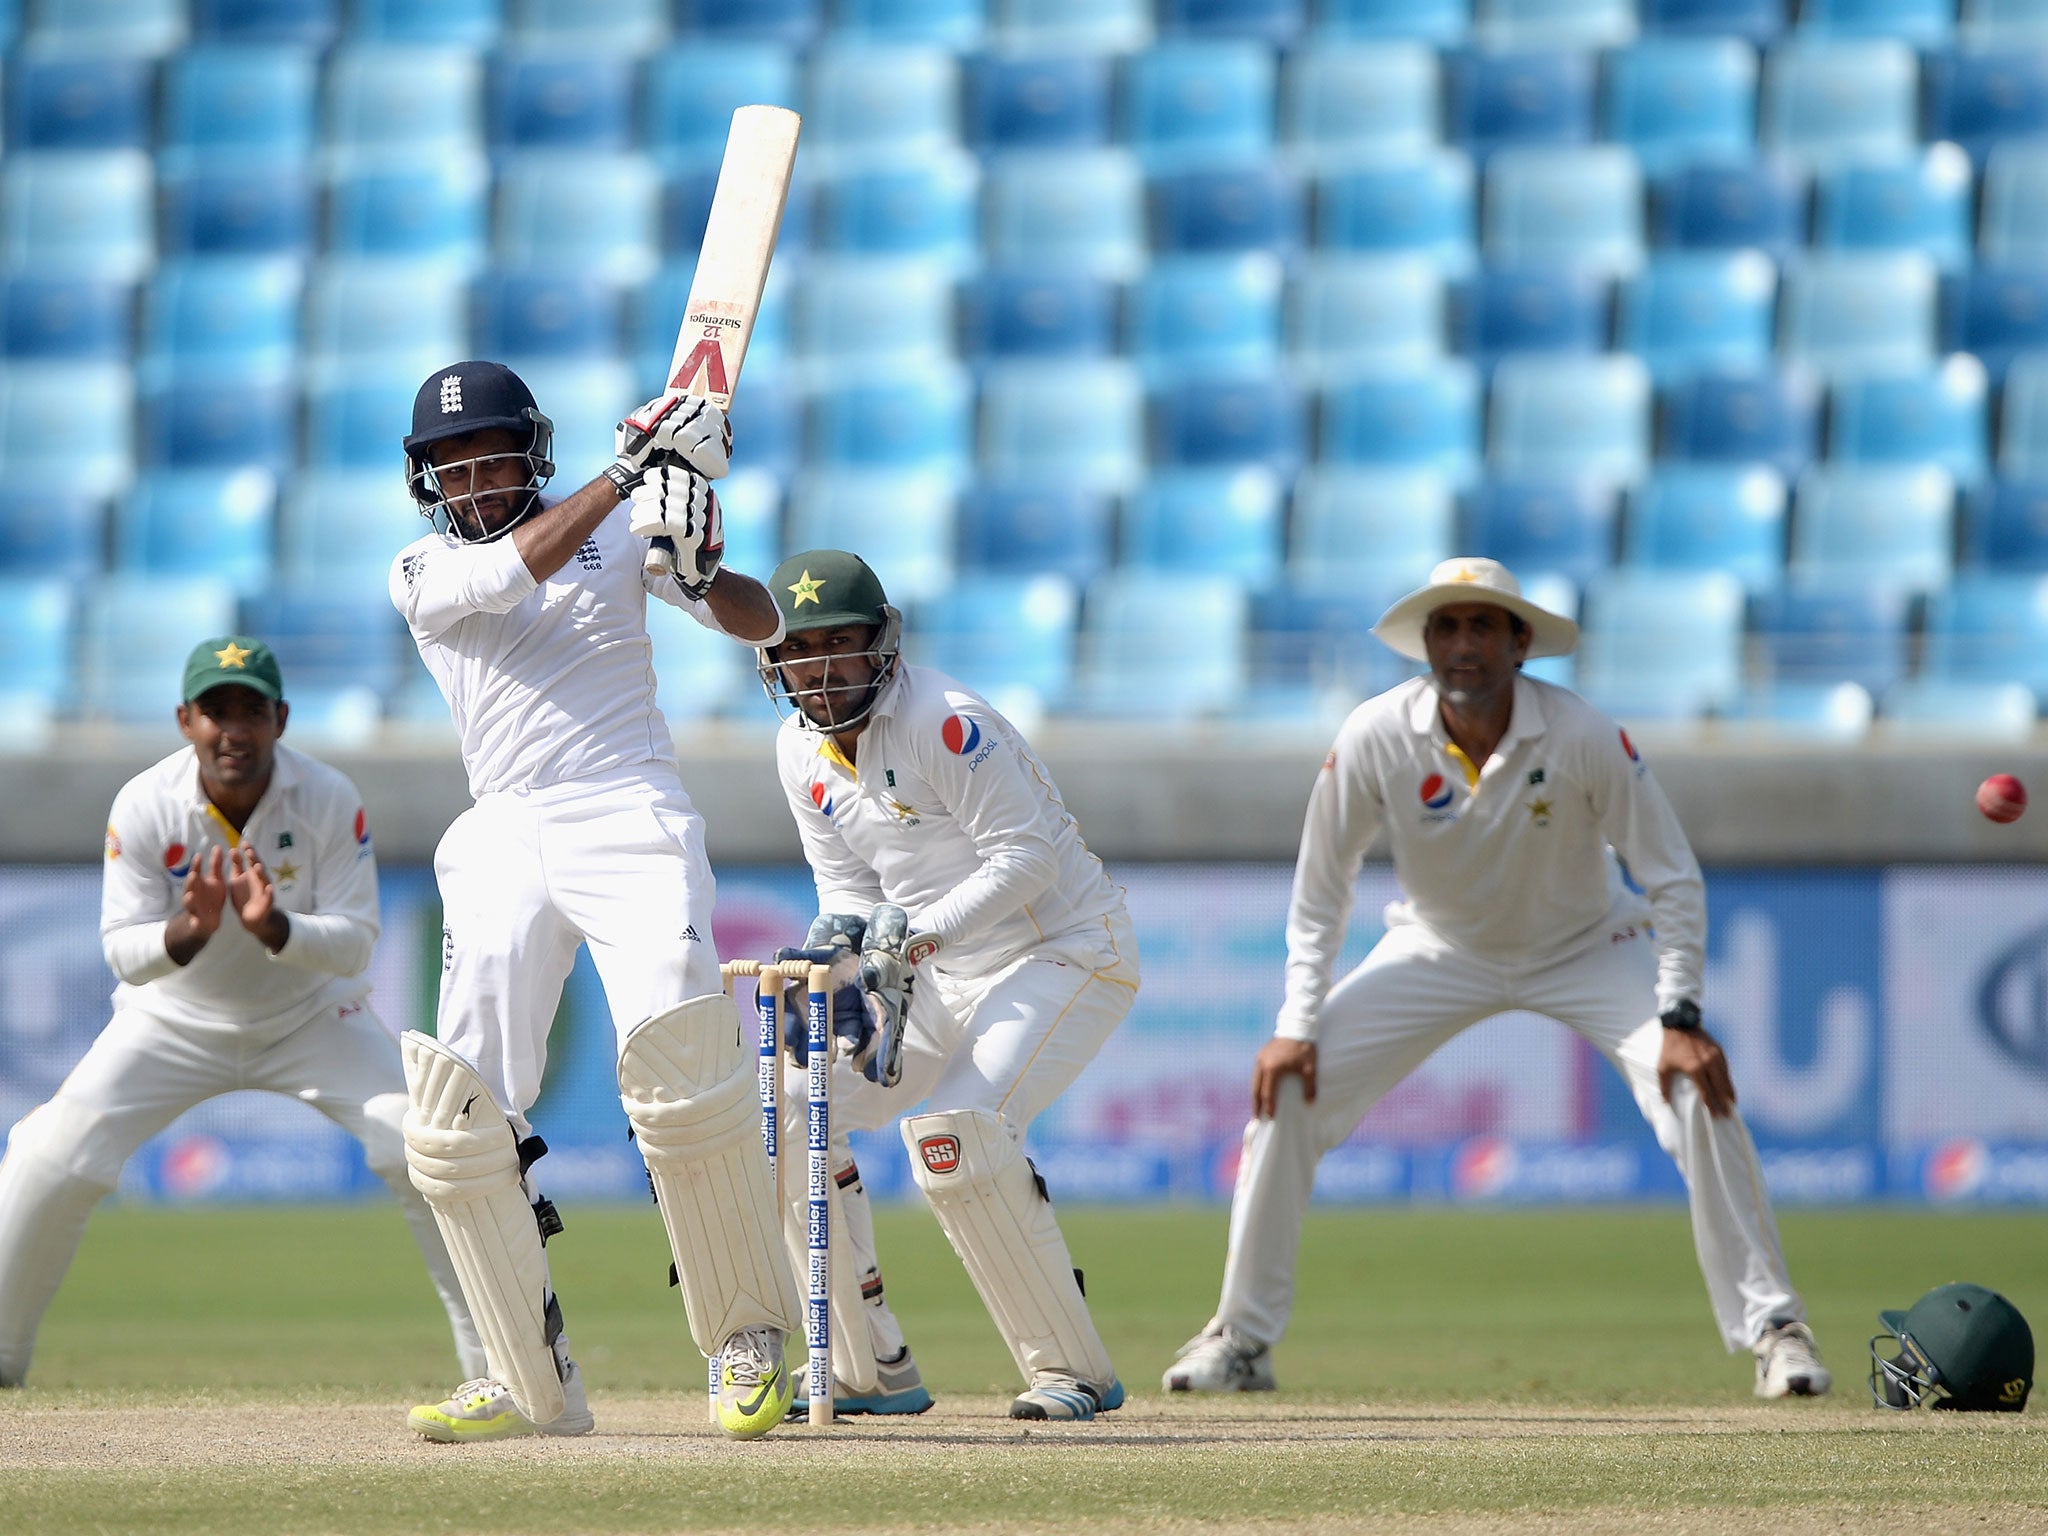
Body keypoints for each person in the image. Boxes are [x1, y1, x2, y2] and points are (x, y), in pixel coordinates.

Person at [1163, 557, 1832, 1402]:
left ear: (1522, 644)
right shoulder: (1375, 735)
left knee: (1697, 1091)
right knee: (1289, 1091)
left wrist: (1682, 1014)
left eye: (1484, 626)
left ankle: (1776, 1329)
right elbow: (1321, 888)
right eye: (1446, 626)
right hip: (1439, 947)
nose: (1463, 645)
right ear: (1425, 645)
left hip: (1589, 943)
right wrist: (1296, 1025)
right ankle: (1242, 1339)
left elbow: (1671, 876)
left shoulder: (1583, 733)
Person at [391, 361, 799, 1442]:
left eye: (491, 460)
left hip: (626, 804)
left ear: (534, 453)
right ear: (424, 481)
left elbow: (759, 626)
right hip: (502, 825)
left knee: (679, 1054)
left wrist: (703, 568)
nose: (474, 483)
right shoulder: (423, 569)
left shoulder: (619, 534)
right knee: (459, 1106)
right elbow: (508, 578)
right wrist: (628, 477)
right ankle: (523, 1379)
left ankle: (746, 1341)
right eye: (452, 467)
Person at [0, 636, 484, 1390]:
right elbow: (121, 953)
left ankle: (498, 1369)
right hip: (168, 1021)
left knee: (423, 1146)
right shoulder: (144, 804)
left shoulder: (328, 797)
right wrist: (184, 934)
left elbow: (356, 946)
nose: (234, 729)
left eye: (251, 710)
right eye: (216, 711)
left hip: (312, 1018)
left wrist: (275, 929)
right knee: (43, 1154)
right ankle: (3, 1361)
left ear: (281, 718)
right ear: (185, 719)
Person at [753, 549, 1140, 1422]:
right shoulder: (796, 750)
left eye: (840, 645)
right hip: (933, 969)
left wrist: (916, 938)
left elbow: (1028, 860)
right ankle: (867, 1364)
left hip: (1064, 950)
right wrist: (834, 963)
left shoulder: (945, 719)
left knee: (956, 1134)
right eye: (799, 652)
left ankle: (1071, 1371)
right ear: (770, 660)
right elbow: (850, 890)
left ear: (883, 642)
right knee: (789, 1108)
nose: (820, 671)